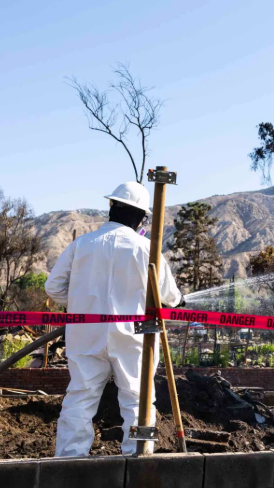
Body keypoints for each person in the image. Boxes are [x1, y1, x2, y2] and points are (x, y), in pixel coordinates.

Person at [45, 181, 183, 456]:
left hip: (86, 333)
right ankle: (138, 455)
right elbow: (170, 296)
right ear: (141, 217)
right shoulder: (146, 248)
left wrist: (79, 304)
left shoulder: (81, 245)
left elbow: (53, 288)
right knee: (137, 399)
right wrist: (179, 300)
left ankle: (68, 462)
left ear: (112, 207)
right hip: (134, 335)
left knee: (80, 398)